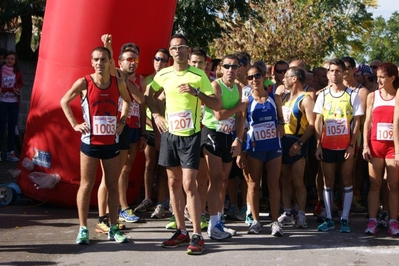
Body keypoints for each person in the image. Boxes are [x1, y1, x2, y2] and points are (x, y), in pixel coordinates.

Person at [145, 33, 221, 255]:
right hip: (170, 134)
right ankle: (181, 231)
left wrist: (197, 93)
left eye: (181, 47)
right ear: (170, 52)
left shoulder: (198, 75)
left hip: (190, 135)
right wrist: (157, 115)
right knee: (173, 183)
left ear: (188, 51)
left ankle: (197, 234)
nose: (177, 51)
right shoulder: (164, 74)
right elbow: (149, 95)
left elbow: (216, 103)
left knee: (189, 184)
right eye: (173, 48)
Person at [60, 46, 130, 244]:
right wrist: (75, 124)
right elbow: (64, 101)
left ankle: (113, 228)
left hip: (111, 143)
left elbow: (127, 101)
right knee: (86, 184)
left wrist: (122, 121)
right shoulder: (84, 82)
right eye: (96, 60)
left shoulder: (118, 82)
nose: (100, 63)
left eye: (104, 59)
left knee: (112, 186)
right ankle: (83, 229)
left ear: (110, 62)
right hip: (90, 143)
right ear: (92, 62)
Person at [95, 35, 145, 232]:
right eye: (128, 60)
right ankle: (103, 218)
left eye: (136, 60)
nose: (132, 64)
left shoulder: (134, 80)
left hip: (128, 128)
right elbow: (107, 63)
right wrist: (108, 46)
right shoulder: (113, 74)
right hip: (111, 129)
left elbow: (140, 100)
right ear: (121, 61)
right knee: (108, 175)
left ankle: (113, 215)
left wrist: (127, 82)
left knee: (120, 171)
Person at [313, 58, 363, 233]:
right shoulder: (323, 95)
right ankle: (328, 217)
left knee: (347, 179)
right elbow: (318, 121)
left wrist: (351, 145)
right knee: (328, 181)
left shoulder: (352, 95)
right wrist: (318, 145)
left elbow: (357, 122)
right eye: (332, 71)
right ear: (328, 74)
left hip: (345, 146)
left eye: (338, 71)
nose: (335, 74)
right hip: (327, 146)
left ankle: (344, 218)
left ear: (344, 73)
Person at [236, 64, 285, 236]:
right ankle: (255, 221)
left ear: (263, 77)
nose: (254, 80)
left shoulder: (275, 98)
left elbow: (280, 119)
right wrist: (241, 151)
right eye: (250, 78)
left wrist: (281, 125)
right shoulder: (246, 101)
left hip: (273, 146)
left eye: (257, 76)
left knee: (273, 184)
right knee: (253, 184)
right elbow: (241, 127)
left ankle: (274, 222)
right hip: (254, 147)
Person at [201, 54, 245, 239]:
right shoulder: (215, 85)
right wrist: (241, 107)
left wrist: (239, 139)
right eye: (227, 66)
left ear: (238, 69)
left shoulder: (239, 88)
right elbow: (218, 115)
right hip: (211, 132)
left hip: (228, 135)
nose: (230, 70)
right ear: (221, 69)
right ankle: (212, 224)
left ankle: (218, 221)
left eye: (234, 67)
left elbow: (241, 117)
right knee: (216, 179)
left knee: (224, 181)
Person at [278, 67, 315, 228]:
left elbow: (312, 125)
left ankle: (301, 214)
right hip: (283, 140)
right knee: (285, 179)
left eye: (286, 76)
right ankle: (287, 212)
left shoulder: (306, 99)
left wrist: (300, 143)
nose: (282, 79)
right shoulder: (285, 97)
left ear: (294, 79)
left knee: (298, 180)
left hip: (297, 141)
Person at [364, 62, 399, 236]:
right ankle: (372, 220)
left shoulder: (398, 95)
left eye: (382, 77)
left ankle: (393, 221)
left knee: (393, 185)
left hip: (393, 146)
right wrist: (365, 145)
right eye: (377, 77)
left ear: (392, 78)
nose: (378, 81)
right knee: (374, 184)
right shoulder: (372, 96)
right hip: (375, 144)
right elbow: (367, 123)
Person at [143, 48, 170, 219]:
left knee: (163, 168)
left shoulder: (169, 79)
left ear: (168, 63)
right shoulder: (146, 81)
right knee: (149, 164)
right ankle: (147, 198)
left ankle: (161, 203)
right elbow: (141, 104)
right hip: (148, 127)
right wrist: (152, 120)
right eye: (157, 59)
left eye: (163, 60)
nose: (159, 62)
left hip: (167, 128)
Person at [0, 51, 23, 162]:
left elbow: (21, 83)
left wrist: (17, 88)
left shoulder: (17, 72)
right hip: (2, 102)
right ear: (4, 59)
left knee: (11, 128)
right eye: (8, 58)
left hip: (14, 103)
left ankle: (10, 153)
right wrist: (8, 89)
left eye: (12, 59)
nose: (9, 60)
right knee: (2, 128)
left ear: (15, 61)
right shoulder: (1, 71)